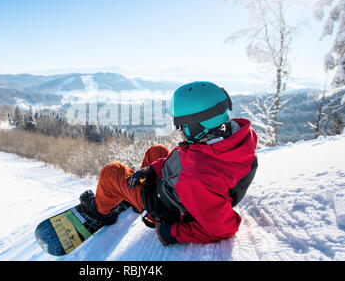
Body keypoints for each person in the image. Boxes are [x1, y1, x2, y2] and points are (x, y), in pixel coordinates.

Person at [79, 81, 258, 245]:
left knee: (111, 172)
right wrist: (151, 170)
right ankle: (131, 196)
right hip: (180, 190)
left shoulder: (195, 177)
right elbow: (184, 159)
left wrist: (171, 232)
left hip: (165, 205)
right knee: (156, 151)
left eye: (180, 125)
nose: (178, 130)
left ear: (196, 126)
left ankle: (100, 212)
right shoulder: (231, 140)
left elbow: (223, 228)